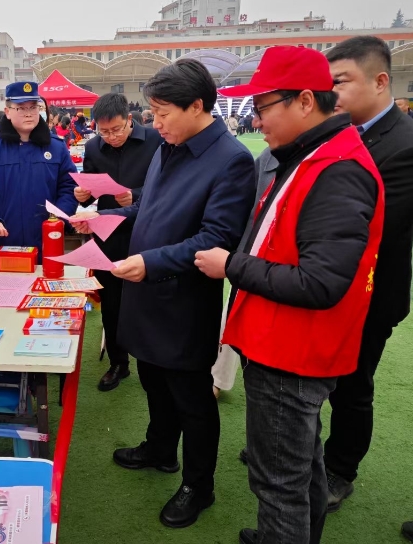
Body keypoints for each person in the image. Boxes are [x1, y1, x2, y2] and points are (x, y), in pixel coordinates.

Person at [197, 45, 384, 544]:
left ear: (304, 101)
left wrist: (231, 264)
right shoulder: (312, 155)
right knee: (301, 466)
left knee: (278, 482)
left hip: (292, 352)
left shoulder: (337, 168)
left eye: (263, 107)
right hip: (281, 341)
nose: (256, 119)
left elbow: (320, 283)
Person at [73, 59, 255, 529]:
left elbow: (216, 238)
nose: (155, 124)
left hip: (183, 301)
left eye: (162, 113)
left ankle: (199, 485)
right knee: (153, 378)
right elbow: (148, 210)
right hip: (145, 294)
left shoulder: (231, 159)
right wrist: (103, 219)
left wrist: (151, 262)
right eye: (152, 113)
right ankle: (159, 449)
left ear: (196, 106)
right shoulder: (168, 146)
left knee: (192, 398)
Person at [321, 36, 413, 513]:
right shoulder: (338, 132)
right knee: (308, 376)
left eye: (340, 81)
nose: (331, 92)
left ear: (380, 81)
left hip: (371, 295)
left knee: (352, 389)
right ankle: (295, 451)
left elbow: (370, 226)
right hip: (323, 286)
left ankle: (339, 470)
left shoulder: (404, 145)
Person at [74, 93, 163, 391]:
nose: (111, 137)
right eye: (104, 132)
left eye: (116, 129)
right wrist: (82, 194)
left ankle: (153, 361)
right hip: (108, 236)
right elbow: (89, 187)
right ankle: (118, 364)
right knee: (111, 305)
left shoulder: (155, 141)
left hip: (146, 234)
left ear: (129, 119)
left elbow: (168, 184)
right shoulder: (93, 147)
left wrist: (136, 195)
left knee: (149, 303)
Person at [0, 82, 77, 257]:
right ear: (7, 112)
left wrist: (59, 219)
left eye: (33, 107)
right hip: (3, 241)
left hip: (47, 240)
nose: (28, 113)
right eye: (21, 108)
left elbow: (69, 186)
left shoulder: (56, 147)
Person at [211, 146, 278, 397]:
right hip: (250, 259)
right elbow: (247, 206)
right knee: (233, 316)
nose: (258, 126)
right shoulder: (268, 156)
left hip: (285, 270)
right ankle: (218, 378)